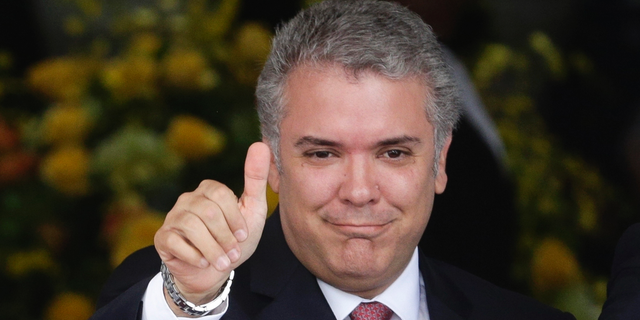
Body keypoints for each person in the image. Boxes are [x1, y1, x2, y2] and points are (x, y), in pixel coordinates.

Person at [90, 1, 575, 319]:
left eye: (394, 153)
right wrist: (190, 301)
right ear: (274, 160)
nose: (360, 191)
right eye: (323, 153)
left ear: (440, 161)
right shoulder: (182, 296)